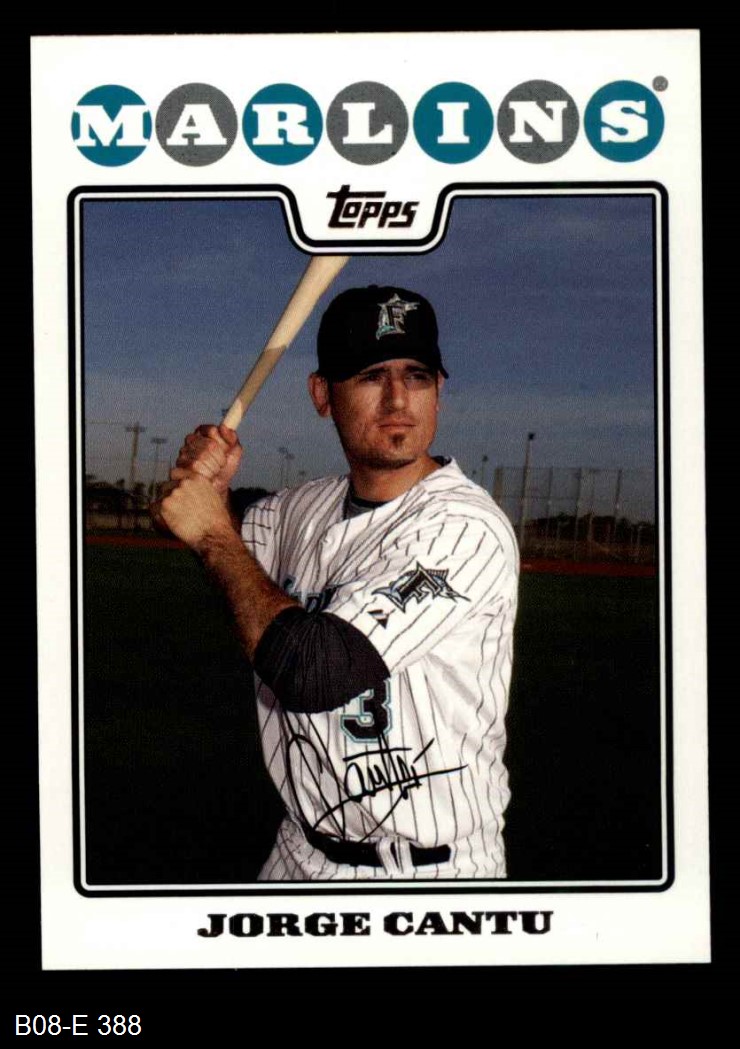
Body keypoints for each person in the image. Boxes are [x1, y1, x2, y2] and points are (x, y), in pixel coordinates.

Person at [152, 285, 519, 880]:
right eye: (372, 376)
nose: (398, 398)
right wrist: (204, 488)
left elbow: (312, 670)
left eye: (417, 376)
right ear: (323, 395)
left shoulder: (464, 526)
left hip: (429, 875)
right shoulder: (300, 508)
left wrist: (213, 531)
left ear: (439, 391)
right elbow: (194, 526)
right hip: (297, 852)